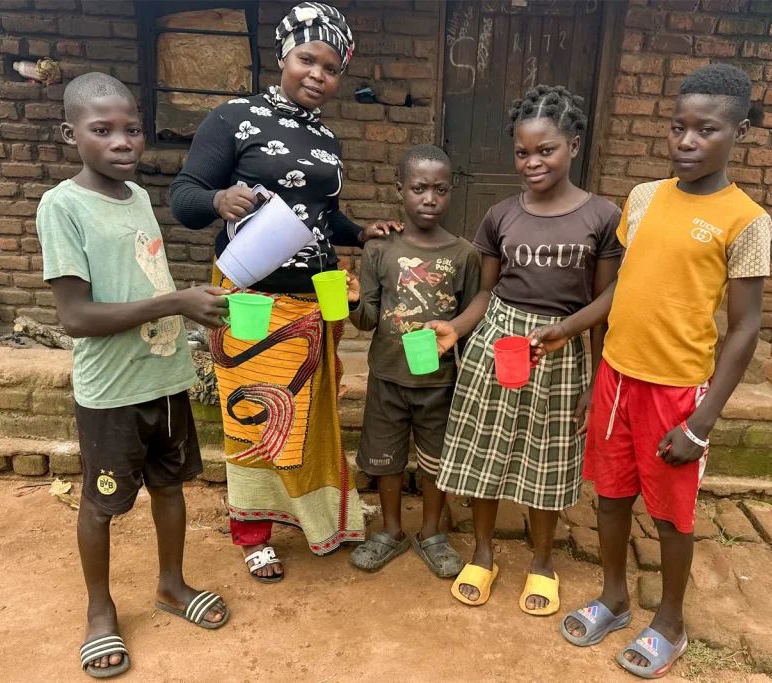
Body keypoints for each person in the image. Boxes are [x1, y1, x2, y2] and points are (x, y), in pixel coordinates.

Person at [530, 64, 772, 679]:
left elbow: (744, 328)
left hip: (676, 391)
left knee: (670, 514)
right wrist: (573, 330)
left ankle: (670, 620)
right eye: (678, 126)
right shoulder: (642, 198)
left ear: (738, 132)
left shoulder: (746, 219)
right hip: (616, 379)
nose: (686, 141)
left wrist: (701, 423)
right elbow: (625, 291)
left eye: (706, 130)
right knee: (610, 498)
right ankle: (613, 597)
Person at [170, 3, 401, 581]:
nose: (317, 75)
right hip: (252, 295)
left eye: (330, 67)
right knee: (255, 415)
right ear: (283, 56)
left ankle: (318, 516)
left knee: (312, 412)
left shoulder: (326, 138)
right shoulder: (234, 119)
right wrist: (220, 201)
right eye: (307, 60)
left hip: (316, 294)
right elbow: (184, 196)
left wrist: (360, 230)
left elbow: (322, 216)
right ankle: (253, 531)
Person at [37, 72, 231, 679]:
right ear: (71, 135)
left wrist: (194, 323)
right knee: (101, 505)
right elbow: (75, 317)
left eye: (133, 129)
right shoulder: (62, 206)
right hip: (111, 392)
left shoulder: (139, 197)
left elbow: (146, 281)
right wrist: (176, 303)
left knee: (170, 488)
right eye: (103, 130)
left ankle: (171, 585)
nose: (123, 142)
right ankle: (100, 611)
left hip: (165, 378)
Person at [427, 85, 623, 615]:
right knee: (484, 450)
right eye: (522, 152)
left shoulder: (603, 216)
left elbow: (609, 298)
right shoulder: (500, 215)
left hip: (563, 349)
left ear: (574, 146)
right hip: (501, 339)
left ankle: (541, 561)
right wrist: (457, 327)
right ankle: (484, 551)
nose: (532, 162)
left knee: (548, 456)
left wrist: (596, 375)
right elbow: (487, 292)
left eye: (546, 150)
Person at [344, 145, 481, 576]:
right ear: (400, 189)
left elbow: (471, 318)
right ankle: (390, 530)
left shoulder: (465, 254)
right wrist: (350, 301)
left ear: (451, 192)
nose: (429, 198)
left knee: (435, 460)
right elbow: (367, 319)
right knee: (385, 457)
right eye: (419, 188)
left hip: (440, 381)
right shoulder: (379, 251)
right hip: (387, 376)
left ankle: (432, 532)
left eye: (440, 189)